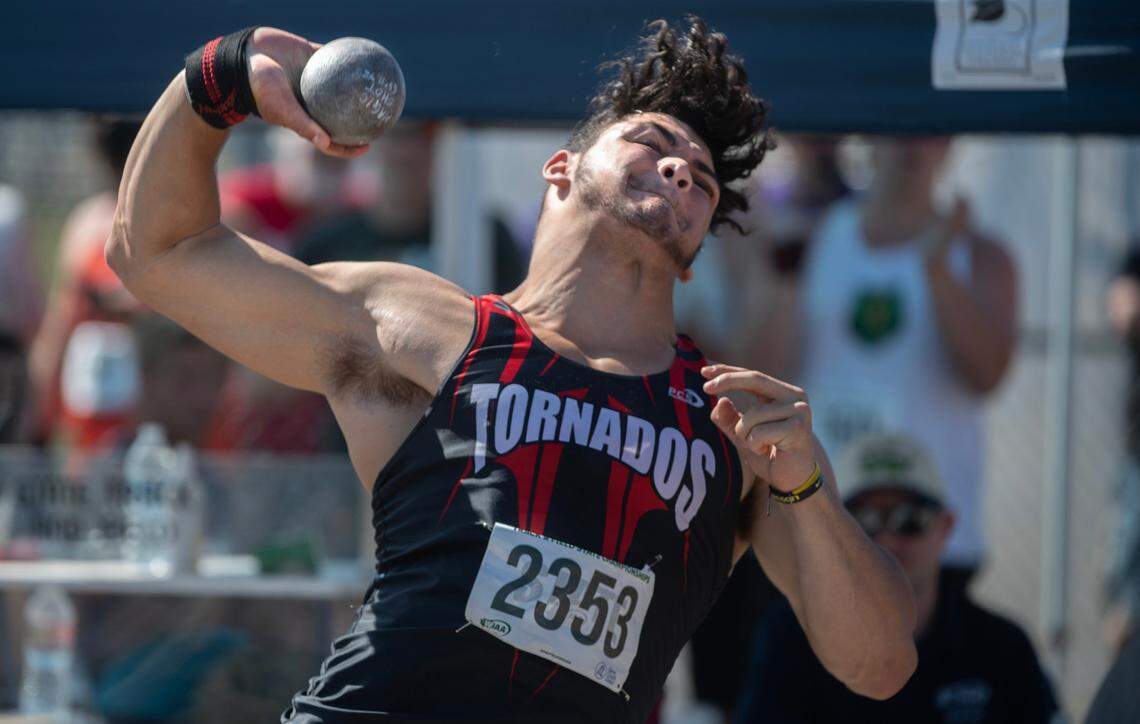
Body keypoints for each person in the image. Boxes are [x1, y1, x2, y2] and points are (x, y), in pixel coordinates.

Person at [106, 19, 917, 721]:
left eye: (703, 180)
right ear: (561, 168)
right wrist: (219, 75)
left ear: (697, 250)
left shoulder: (732, 427)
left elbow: (879, 667)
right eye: (653, 145)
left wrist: (806, 488)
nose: (681, 173)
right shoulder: (427, 327)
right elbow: (158, 254)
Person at [758, 137, 1018, 584]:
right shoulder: (816, 237)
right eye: (896, 125)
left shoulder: (979, 253)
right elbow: (764, 370)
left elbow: (987, 373)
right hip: (823, 524)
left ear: (951, 142)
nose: (911, 143)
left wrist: (936, 269)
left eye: (930, 129)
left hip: (925, 534)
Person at [737, 433, 1063, 724]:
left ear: (946, 526)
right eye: (863, 522)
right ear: (834, 531)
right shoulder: (789, 637)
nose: (888, 540)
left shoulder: (1002, 648)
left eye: (910, 520)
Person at [28, 118, 144, 450]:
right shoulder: (89, 224)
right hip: (100, 410)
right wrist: (39, 421)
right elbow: (60, 327)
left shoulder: (191, 218)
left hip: (169, 408)